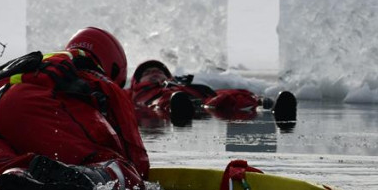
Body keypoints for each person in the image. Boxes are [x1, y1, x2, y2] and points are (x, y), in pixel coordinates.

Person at [0, 26, 150, 190]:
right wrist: (134, 171)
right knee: (122, 170)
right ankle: (83, 178)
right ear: (114, 67)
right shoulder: (92, 73)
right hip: (31, 106)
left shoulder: (35, 65)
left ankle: (14, 175)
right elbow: (134, 151)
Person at [128, 59, 298, 127]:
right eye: (148, 71)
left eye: (158, 70)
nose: (154, 72)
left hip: (199, 99)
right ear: (138, 80)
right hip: (165, 102)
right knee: (167, 102)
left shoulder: (181, 83)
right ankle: (180, 110)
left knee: (232, 96)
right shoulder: (136, 92)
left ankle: (268, 106)